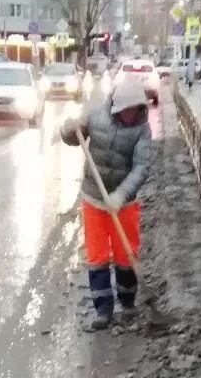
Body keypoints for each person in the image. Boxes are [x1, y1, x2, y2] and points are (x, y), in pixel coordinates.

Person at [61, 78, 154, 330]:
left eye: (135, 110)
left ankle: (127, 301)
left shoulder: (142, 131)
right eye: (126, 109)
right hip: (93, 197)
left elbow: (141, 167)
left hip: (124, 202)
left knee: (126, 254)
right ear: (115, 106)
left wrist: (121, 195)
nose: (130, 114)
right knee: (97, 255)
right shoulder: (96, 117)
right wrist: (68, 130)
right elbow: (73, 138)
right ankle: (103, 310)